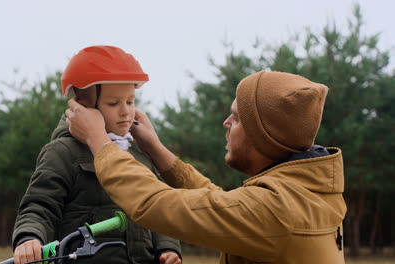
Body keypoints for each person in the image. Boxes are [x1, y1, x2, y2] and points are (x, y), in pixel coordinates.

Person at [65, 70, 347, 264]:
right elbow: (223, 203)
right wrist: (156, 149)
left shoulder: (275, 211)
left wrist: (98, 139)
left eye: (236, 119)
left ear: (263, 136)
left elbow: (155, 203)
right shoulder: (307, 195)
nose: (226, 123)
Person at [12, 45, 182, 264]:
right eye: (113, 103)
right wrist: (30, 238)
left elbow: (159, 211)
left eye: (130, 101)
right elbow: (39, 206)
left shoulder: (140, 158)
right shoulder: (62, 153)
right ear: (84, 106)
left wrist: (168, 249)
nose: (125, 111)